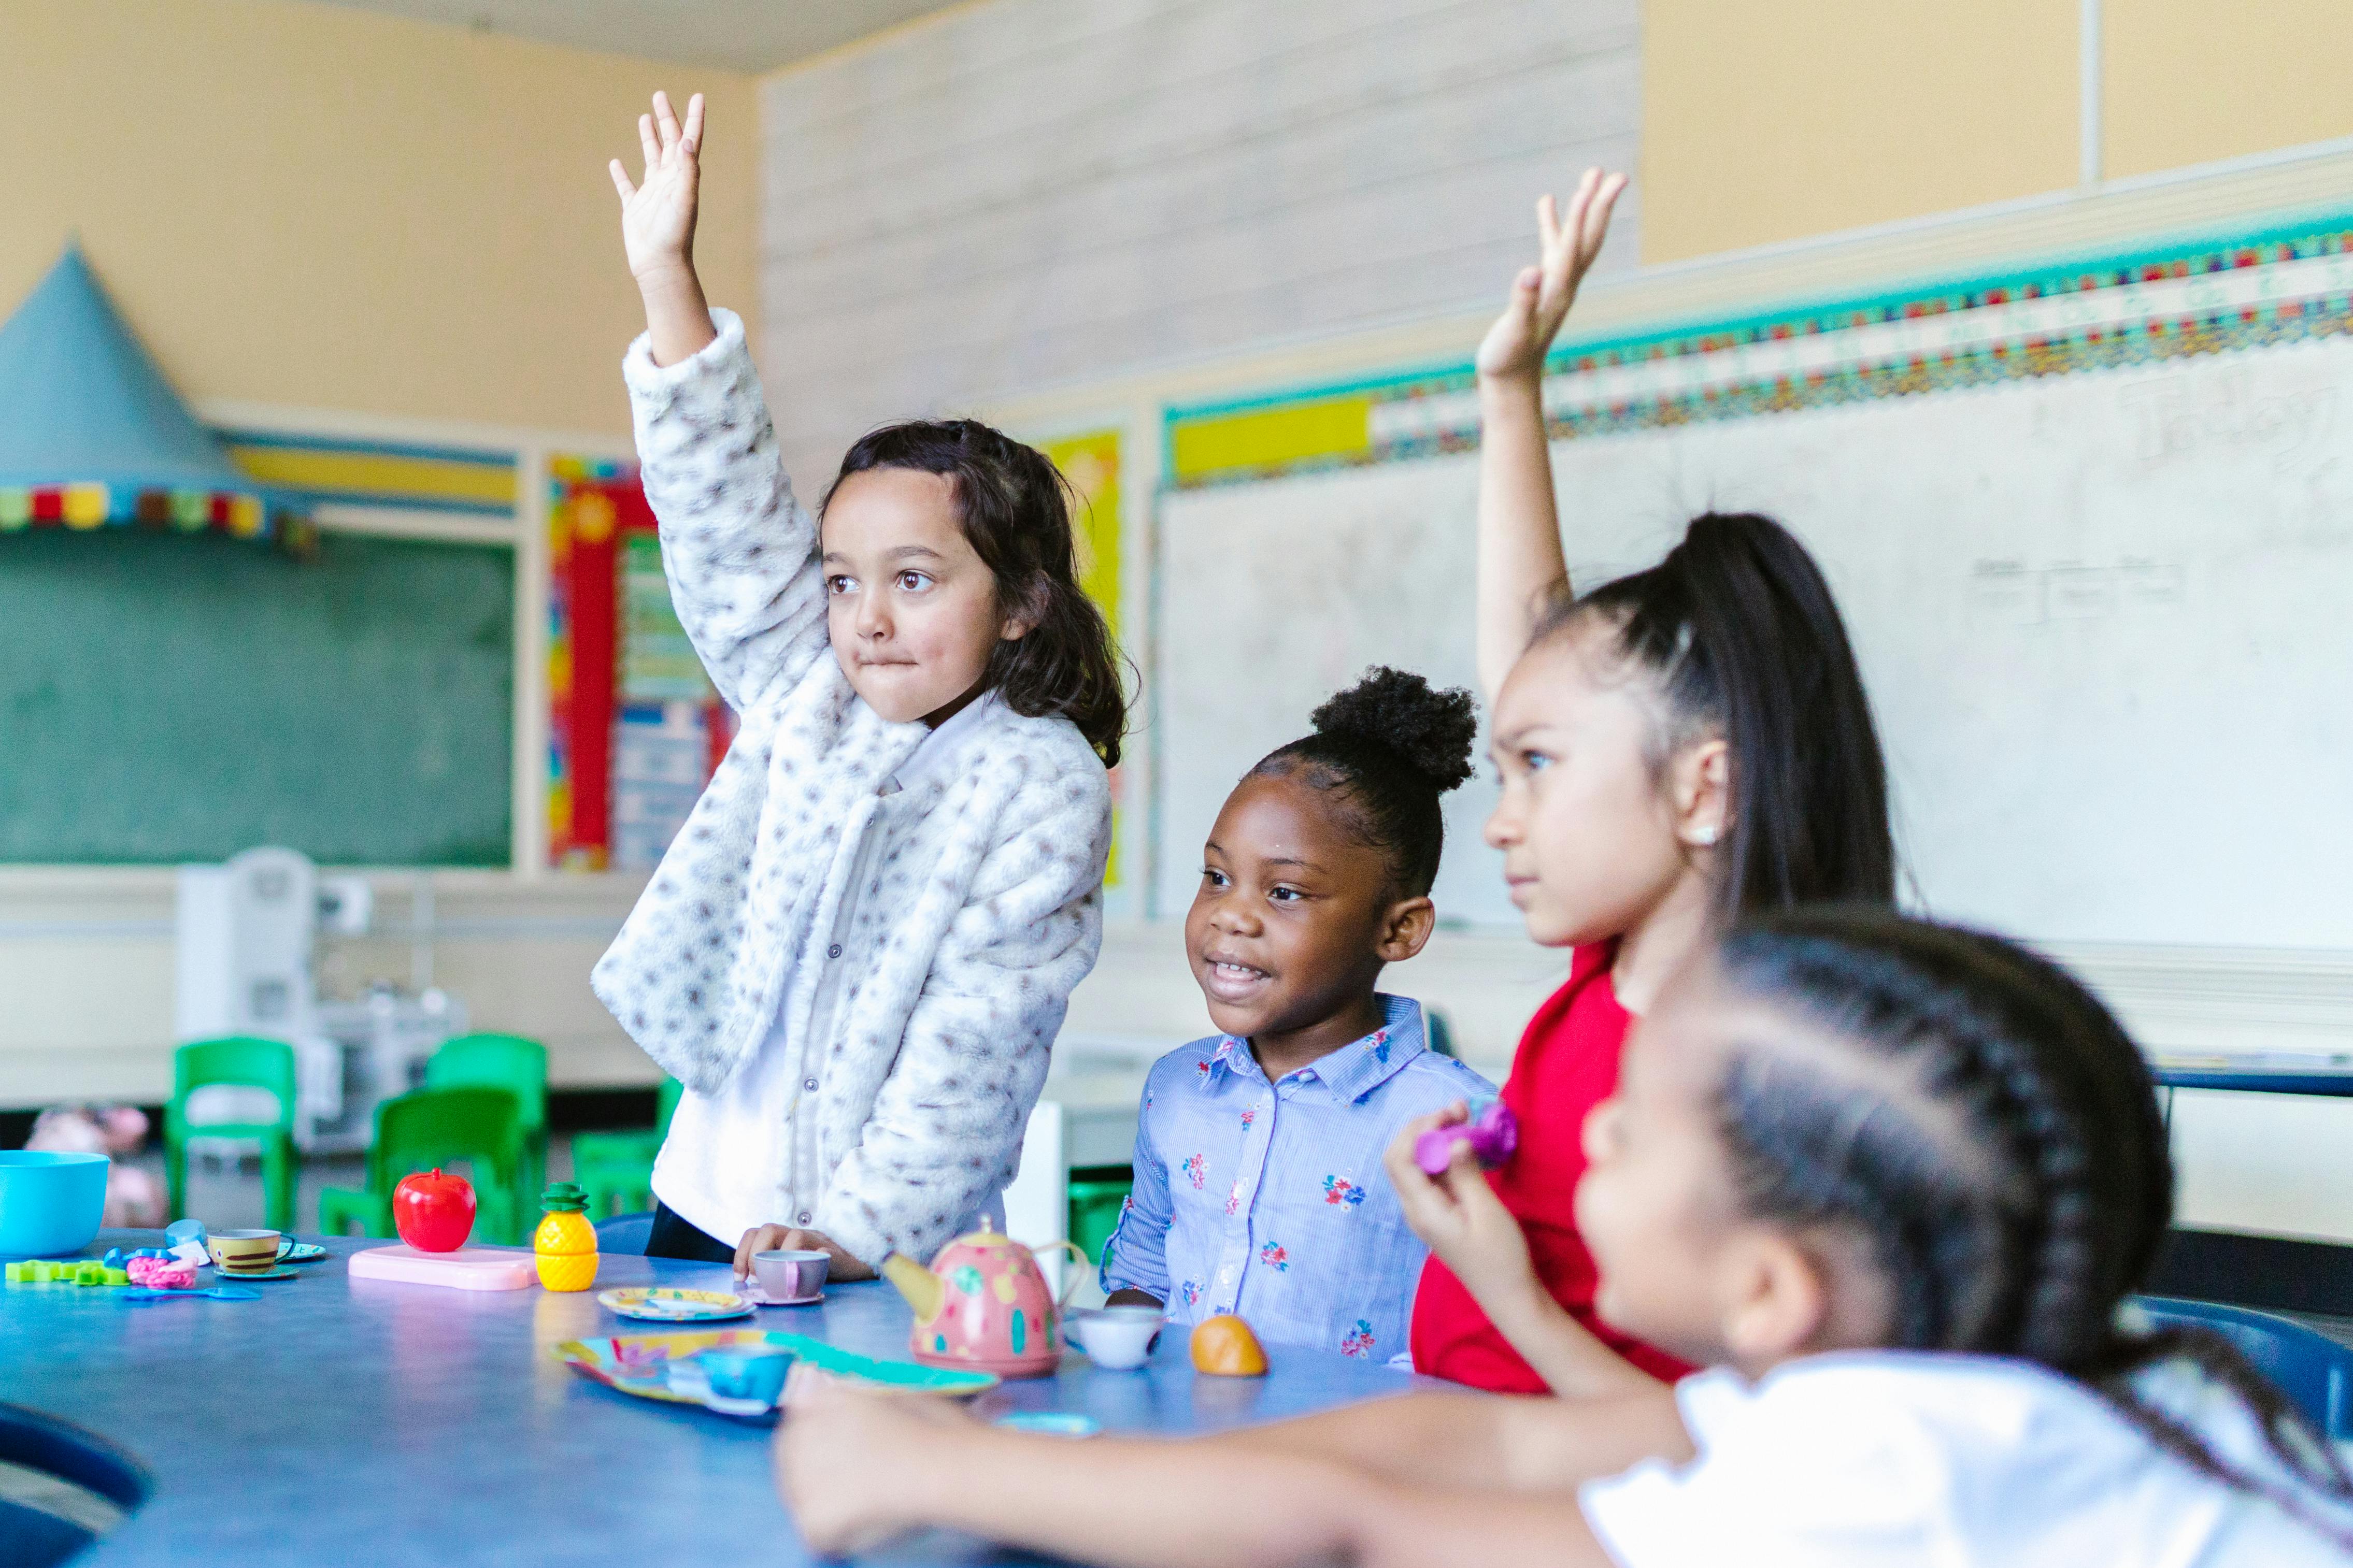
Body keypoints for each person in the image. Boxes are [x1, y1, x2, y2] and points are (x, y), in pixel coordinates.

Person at [774, 910, 2353, 1567]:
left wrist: (936, 1470)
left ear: (1764, 1289)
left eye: (1639, 1120)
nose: (1587, 1123)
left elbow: (1366, 1530)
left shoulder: (1898, 1468)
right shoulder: (1995, 1379)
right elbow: (1490, 1448)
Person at [595, 92, 1123, 1277]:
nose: (868, 617)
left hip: (875, 1247)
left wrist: (852, 1237)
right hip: (704, 1204)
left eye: (917, 579)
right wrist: (667, 279)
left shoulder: (1038, 784)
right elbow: (725, 515)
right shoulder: (810, 687)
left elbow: (976, 1051)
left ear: (1023, 600)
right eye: (842, 580)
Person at [1400, 167, 1896, 1394]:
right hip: (1469, 1448)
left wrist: (1508, 1292)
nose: (1503, 823)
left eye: (1541, 772)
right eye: (1508, 771)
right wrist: (1509, 391)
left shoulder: (1753, 1069)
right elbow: (1536, 667)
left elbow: (1724, 1456)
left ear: (1704, 790)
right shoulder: (1609, 966)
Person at [1097, 668, 1494, 1358]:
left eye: (1283, 892)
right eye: (1217, 877)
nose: (1231, 916)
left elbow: (1478, 1337)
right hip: (1182, 1453)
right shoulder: (1177, 1088)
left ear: (1398, 930)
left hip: (1357, 1458)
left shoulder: (1455, 1122)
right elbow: (1142, 1276)